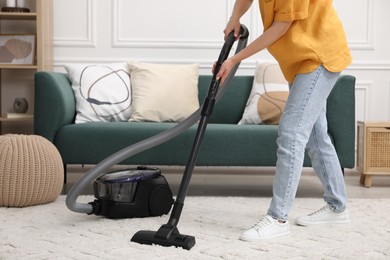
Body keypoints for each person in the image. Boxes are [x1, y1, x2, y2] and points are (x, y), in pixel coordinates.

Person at [215, 0, 352, 241]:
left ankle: (278, 218)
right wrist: (234, 18)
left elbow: (281, 25)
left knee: (292, 133)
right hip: (299, 60)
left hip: (318, 55)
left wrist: (235, 59)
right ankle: (337, 207)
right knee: (315, 135)